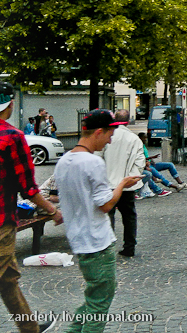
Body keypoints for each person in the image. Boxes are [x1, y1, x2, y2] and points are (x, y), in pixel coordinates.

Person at [55, 109, 143, 333]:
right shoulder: (93, 162)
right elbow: (106, 205)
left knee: (94, 298)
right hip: (97, 241)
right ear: (98, 132)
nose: (110, 140)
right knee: (100, 303)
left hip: (79, 239)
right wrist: (122, 184)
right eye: (110, 135)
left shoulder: (63, 161)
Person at [0, 83, 62, 333]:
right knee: (5, 275)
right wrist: (53, 210)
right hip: (1, 221)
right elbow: (27, 188)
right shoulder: (11, 137)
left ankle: (30, 328)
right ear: (10, 104)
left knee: (7, 278)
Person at [96, 110, 146, 257]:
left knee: (108, 216)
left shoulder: (107, 137)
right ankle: (129, 246)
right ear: (128, 121)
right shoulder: (134, 139)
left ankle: (108, 247)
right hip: (126, 185)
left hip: (107, 184)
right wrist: (131, 178)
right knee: (129, 217)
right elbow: (140, 162)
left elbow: (97, 158)